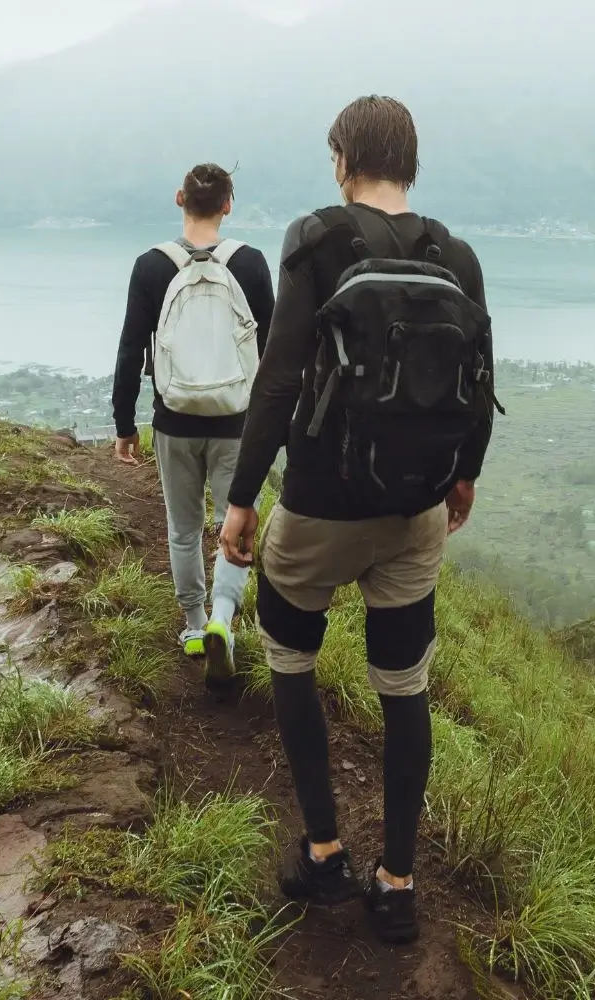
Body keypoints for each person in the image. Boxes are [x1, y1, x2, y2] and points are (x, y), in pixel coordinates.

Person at [219, 96, 500, 944]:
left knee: (291, 655)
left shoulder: (317, 239)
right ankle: (398, 882)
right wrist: (464, 478)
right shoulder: (456, 253)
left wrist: (241, 499)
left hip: (321, 504)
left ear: (344, 159)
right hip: (416, 508)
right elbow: (481, 377)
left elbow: (277, 380)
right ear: (408, 162)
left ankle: (326, 850)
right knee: (403, 686)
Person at [112, 163, 275, 687]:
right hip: (237, 424)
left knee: (183, 529)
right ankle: (222, 621)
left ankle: (191, 624)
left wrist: (123, 422)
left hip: (174, 421)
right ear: (229, 203)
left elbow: (131, 346)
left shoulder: (150, 266)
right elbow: (272, 354)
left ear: (180, 198)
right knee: (238, 524)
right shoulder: (249, 264)